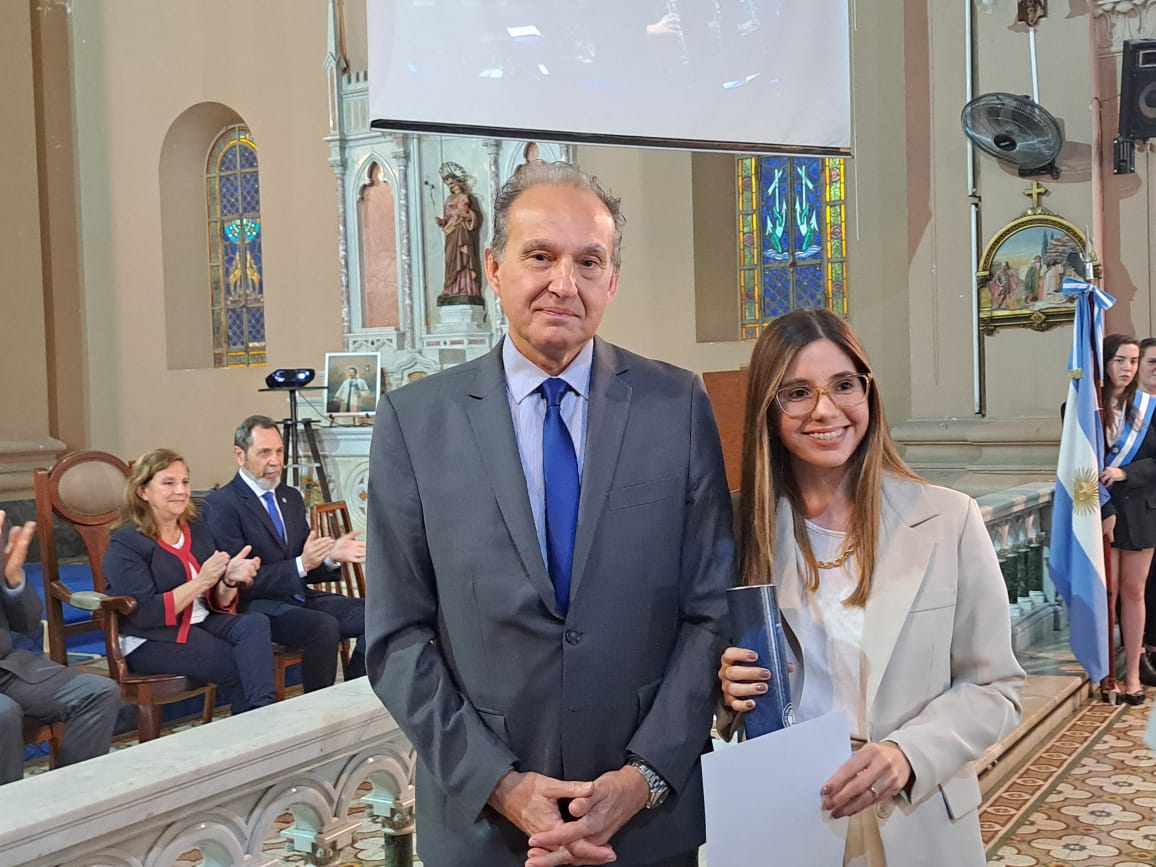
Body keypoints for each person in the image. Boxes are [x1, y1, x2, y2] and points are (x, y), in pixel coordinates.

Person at [366, 160, 733, 867]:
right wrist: (500, 782)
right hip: (486, 829)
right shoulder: (417, 422)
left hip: (645, 824)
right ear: (494, 268)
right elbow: (396, 634)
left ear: (612, 282)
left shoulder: (676, 406)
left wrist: (642, 776)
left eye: (588, 261)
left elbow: (710, 607)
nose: (564, 282)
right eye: (541, 256)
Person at [718, 308, 1023, 867]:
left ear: (868, 392)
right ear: (768, 408)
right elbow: (709, 681)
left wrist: (907, 753)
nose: (825, 410)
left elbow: (996, 687)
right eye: (797, 393)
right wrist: (724, 689)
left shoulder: (947, 520)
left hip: (914, 810)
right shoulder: (740, 528)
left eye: (842, 385)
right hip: (785, 812)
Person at [102, 450, 276, 715]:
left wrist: (229, 580)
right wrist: (202, 580)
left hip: (201, 621)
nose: (181, 491)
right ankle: (263, 731)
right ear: (142, 492)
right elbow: (146, 613)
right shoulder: (126, 543)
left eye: (185, 482)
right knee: (243, 665)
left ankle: (262, 723)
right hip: (150, 639)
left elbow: (216, 601)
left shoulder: (195, 528)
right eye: (168, 483)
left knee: (255, 623)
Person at [202, 416, 366, 692]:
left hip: (298, 598)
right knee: (322, 626)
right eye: (264, 453)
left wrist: (329, 556)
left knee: (377, 614)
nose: (275, 461)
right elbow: (240, 581)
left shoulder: (289, 497)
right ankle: (318, 711)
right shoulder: (222, 505)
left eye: (279, 452)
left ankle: (354, 696)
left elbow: (306, 564)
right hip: (254, 605)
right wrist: (302, 564)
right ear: (239, 455)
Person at [0, 510, 121, 785]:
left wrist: (14, 581)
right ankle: (9, 819)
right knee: (3, 714)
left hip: (7, 667)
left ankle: (67, 802)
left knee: (99, 692)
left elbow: (26, 621)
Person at [1099, 334, 1156, 701]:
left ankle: (1133, 673)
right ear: (1105, 363)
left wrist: (1125, 474)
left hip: (1142, 513)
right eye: (1120, 360)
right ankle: (1107, 674)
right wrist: (1105, 509)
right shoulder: (1081, 408)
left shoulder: (1149, 407)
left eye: (1133, 361)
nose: (1127, 368)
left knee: (1134, 592)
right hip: (1102, 511)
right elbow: (1078, 466)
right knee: (1108, 593)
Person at [435, 162, 483, 301]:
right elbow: (447, 217)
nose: (451, 186)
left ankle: (467, 288)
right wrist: (442, 221)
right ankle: (452, 287)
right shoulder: (449, 199)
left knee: (464, 257)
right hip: (451, 232)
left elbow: (476, 216)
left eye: (452, 182)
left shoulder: (468, 198)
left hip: (463, 231)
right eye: (448, 184)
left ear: (458, 181)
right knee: (451, 259)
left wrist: (466, 216)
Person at [1139, 338, 1156, 685]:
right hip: (1139, 508)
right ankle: (1143, 650)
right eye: (1152, 361)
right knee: (1142, 586)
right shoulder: (1130, 409)